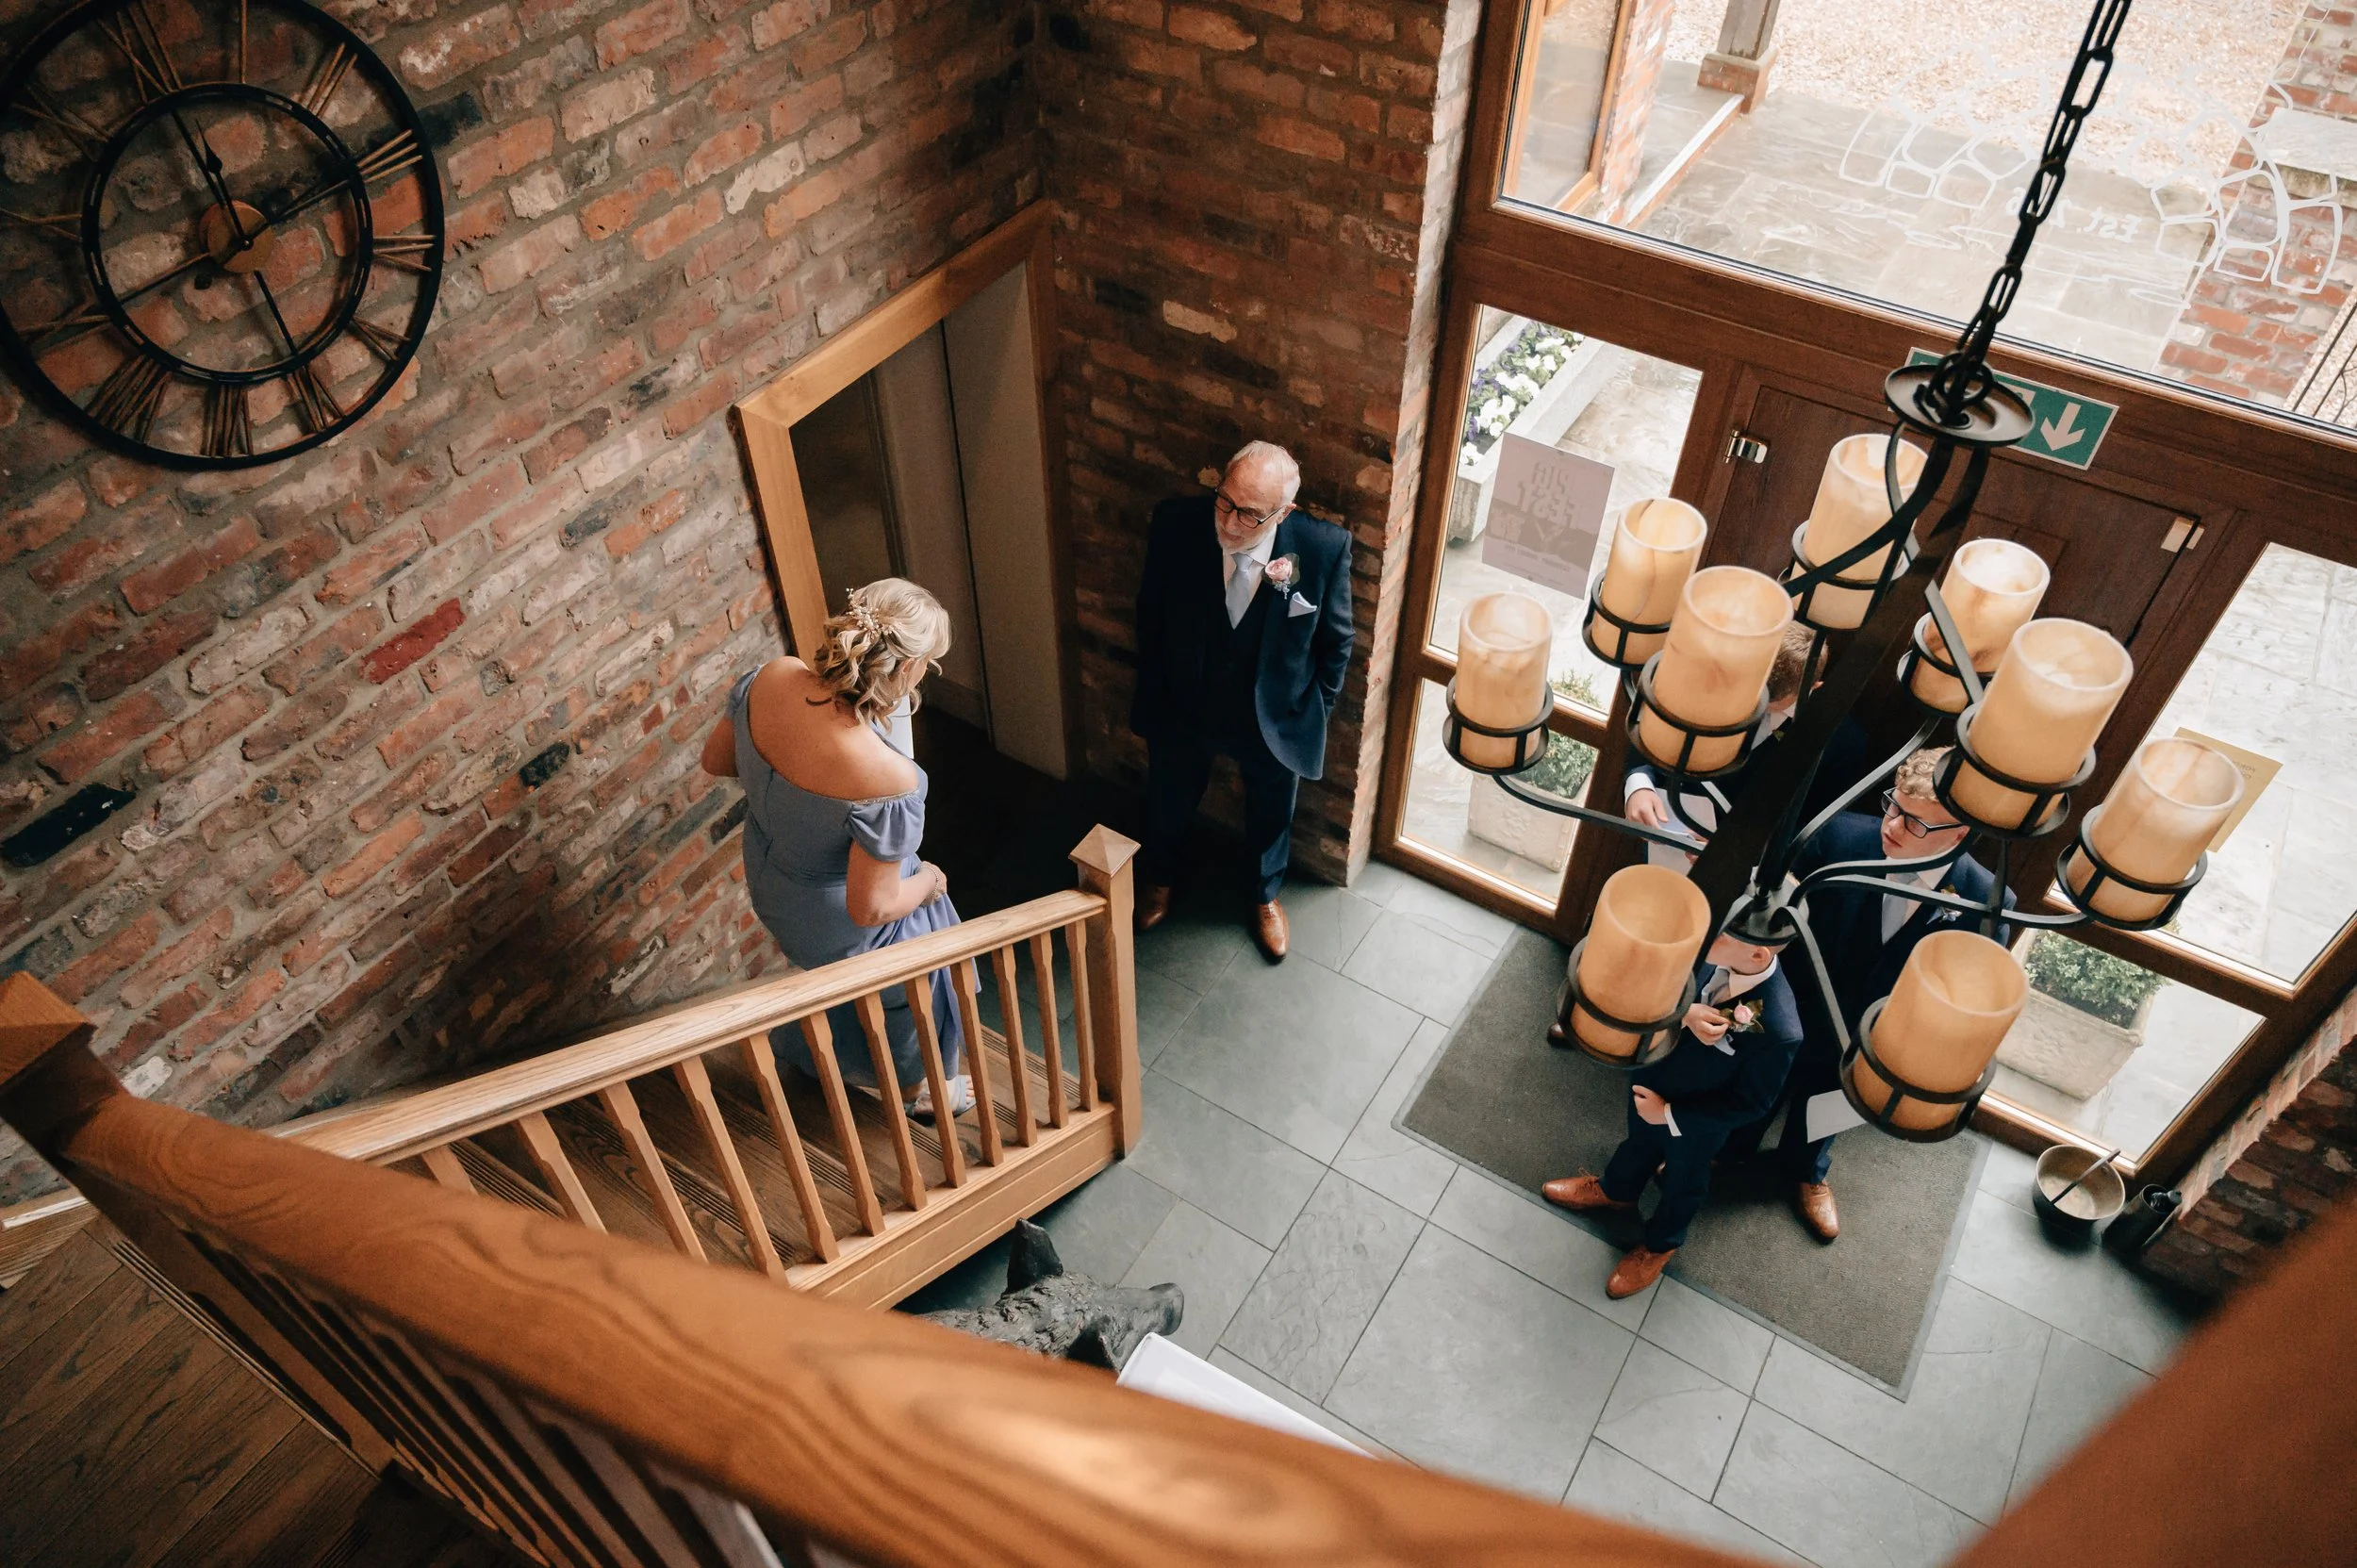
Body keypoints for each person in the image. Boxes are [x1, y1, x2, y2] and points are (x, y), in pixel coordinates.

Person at [701, 579, 969, 1122]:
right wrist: (932, 882)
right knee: (922, 970)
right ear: (910, 668)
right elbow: (870, 908)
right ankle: (922, 1091)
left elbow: (717, 760)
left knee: (835, 979)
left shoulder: (774, 676)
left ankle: (817, 1053)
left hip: (772, 881)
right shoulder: (890, 778)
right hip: (835, 914)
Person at [1723, 744, 2009, 1241]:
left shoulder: (1985, 902)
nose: (1893, 827)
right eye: (1894, 806)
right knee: (1755, 1093)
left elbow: (1966, 991)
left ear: (1961, 833)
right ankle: (1724, 1152)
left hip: (1874, 1037)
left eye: (1916, 823)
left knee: (1832, 1105)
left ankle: (1806, 1170)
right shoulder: (1836, 838)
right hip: (1793, 1006)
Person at [1130, 440, 1354, 962]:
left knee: (1273, 808)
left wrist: (1313, 706)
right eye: (1225, 501)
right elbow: (1150, 612)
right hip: (1188, 699)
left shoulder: (1322, 549)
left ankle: (1264, 895)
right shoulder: (1176, 524)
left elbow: (1336, 640)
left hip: (1273, 712)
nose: (1230, 523)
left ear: (1284, 512)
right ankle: (1161, 878)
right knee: (1169, 792)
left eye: (1250, 514)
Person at [1542, 929, 1805, 1298]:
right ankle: (1615, 1191)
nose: (1709, 935)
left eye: (1725, 936)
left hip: (1697, 1120)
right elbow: (1657, 988)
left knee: (1685, 1181)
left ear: (1759, 956)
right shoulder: (1701, 953)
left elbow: (1752, 1104)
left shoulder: (1779, 1029)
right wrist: (1685, 1013)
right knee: (1637, 1142)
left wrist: (1669, 1114)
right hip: (1653, 1076)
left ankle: (1660, 1244)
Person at [1624, 622, 1868, 867]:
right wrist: (1638, 783)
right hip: (1664, 834)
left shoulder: (1843, 744)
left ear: (1816, 688)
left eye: (1770, 704)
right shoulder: (1708, 680)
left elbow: (1813, 832)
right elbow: (1652, 731)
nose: (1754, 708)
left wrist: (1738, 853)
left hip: (1740, 878)